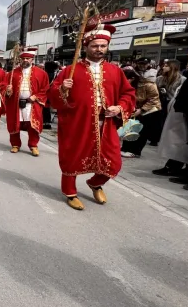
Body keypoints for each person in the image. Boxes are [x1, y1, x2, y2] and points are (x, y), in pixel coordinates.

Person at [49, 23, 136, 211]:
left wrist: (119, 107)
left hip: (106, 124)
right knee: (72, 157)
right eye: (95, 46)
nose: (99, 49)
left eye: (103, 46)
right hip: (77, 122)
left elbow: (128, 94)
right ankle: (70, 192)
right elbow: (52, 95)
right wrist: (63, 88)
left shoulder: (115, 71)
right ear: (86, 47)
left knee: (114, 162)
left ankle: (95, 183)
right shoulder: (70, 70)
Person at [4, 47, 49, 156]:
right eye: (23, 58)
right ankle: (15, 144)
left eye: (28, 58)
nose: (25, 60)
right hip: (16, 103)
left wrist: (36, 96)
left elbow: (46, 89)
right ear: (20, 59)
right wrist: (8, 90)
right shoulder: (11, 74)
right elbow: (4, 87)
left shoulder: (41, 73)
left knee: (32, 126)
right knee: (15, 124)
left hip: (32, 104)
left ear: (32, 60)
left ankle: (33, 145)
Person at [120, 69, 161, 158]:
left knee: (142, 131)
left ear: (133, 78)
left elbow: (154, 100)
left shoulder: (148, 85)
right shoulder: (129, 85)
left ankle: (136, 151)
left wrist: (142, 110)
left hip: (149, 110)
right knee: (129, 128)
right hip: (135, 109)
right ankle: (125, 148)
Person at [153, 84, 188, 178]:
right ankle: (173, 165)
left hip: (184, 115)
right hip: (178, 115)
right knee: (176, 141)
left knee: (181, 143)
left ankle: (175, 167)